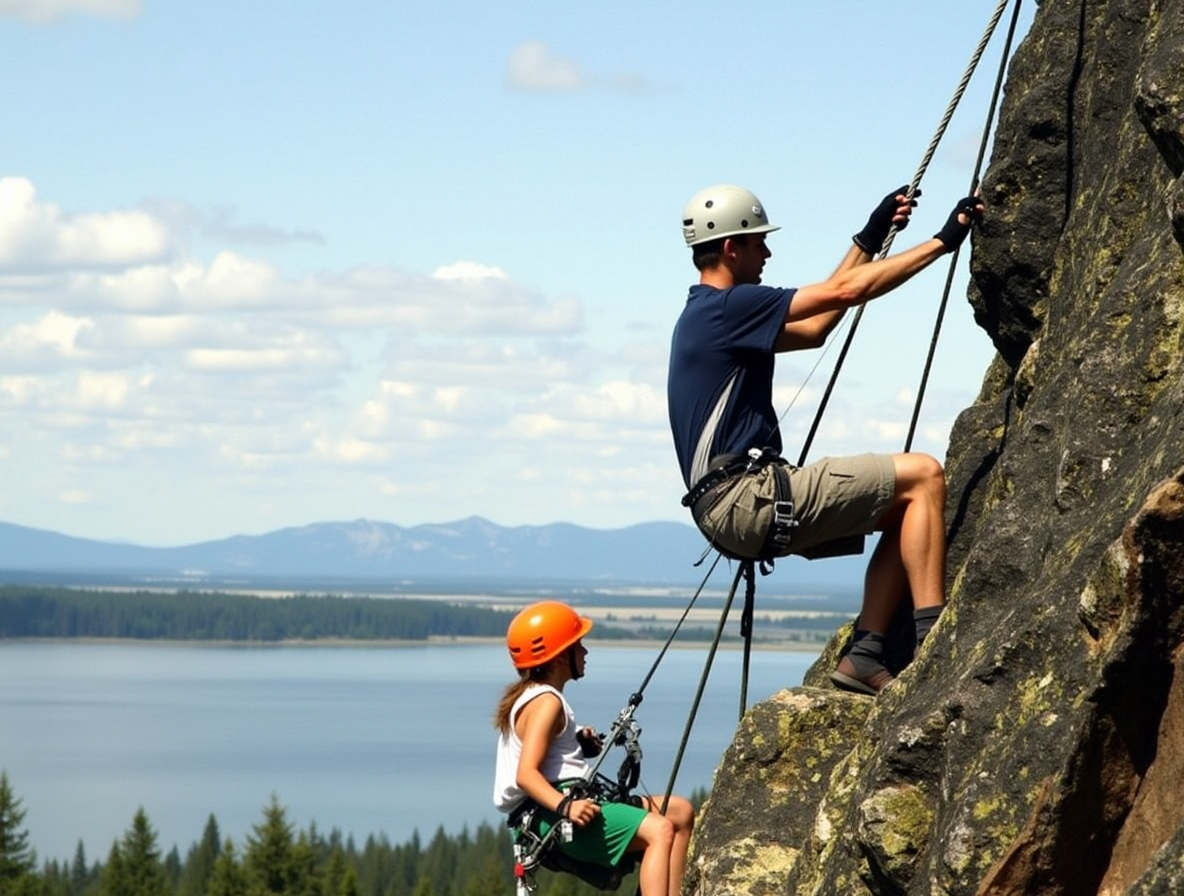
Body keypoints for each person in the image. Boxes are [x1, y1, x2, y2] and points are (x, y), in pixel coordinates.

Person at [667, 183, 984, 695]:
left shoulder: (707, 317)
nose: (766, 253)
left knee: (904, 510)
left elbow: (816, 328)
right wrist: (942, 242)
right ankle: (935, 645)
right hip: (750, 496)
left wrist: (870, 237)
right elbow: (843, 293)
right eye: (758, 244)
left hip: (732, 507)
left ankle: (864, 655)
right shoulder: (727, 308)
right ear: (731, 248)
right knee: (924, 475)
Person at [493, 600, 694, 896]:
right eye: (578, 645)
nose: (585, 652)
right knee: (660, 830)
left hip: (550, 811)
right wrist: (567, 806)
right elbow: (526, 774)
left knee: (679, 811)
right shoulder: (546, 703)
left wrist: (577, 739)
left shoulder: (534, 697)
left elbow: (545, 753)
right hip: (555, 814)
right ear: (560, 656)